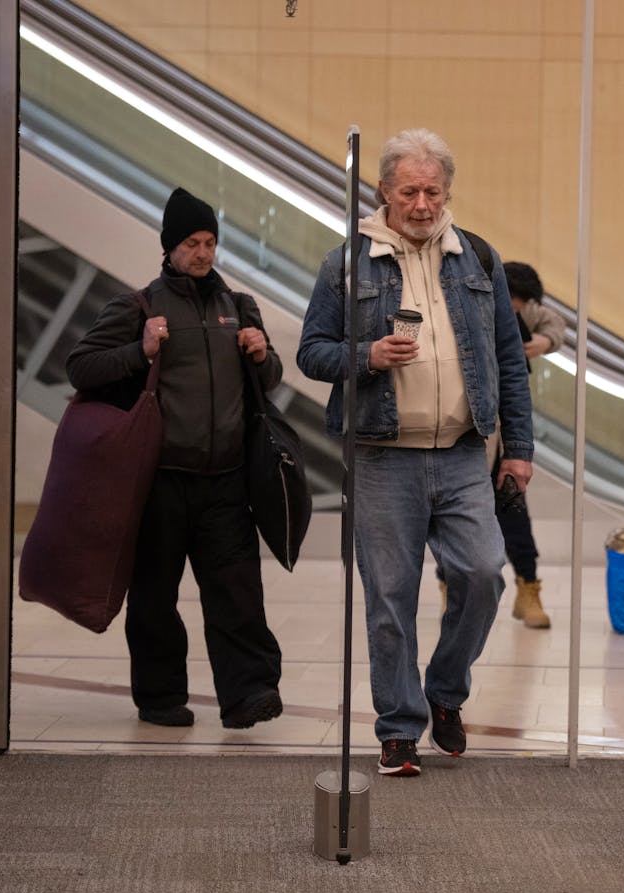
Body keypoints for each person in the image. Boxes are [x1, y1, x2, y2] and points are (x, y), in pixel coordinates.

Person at [297, 128, 533, 777]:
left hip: (462, 453)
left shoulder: (477, 259)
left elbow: (510, 362)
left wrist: (519, 448)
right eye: (410, 190)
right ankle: (399, 726)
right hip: (381, 455)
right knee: (390, 596)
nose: (423, 203)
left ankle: (444, 691)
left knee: (485, 573)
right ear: (384, 192)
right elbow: (311, 350)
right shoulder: (347, 263)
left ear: (447, 191)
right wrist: (365, 356)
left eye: (433, 190)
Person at [66, 187, 285, 730]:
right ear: (169, 246)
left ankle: (249, 694)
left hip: (226, 482)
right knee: (154, 598)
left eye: (210, 242)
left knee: (237, 594)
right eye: (193, 242)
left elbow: (271, 381)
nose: (204, 253)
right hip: (160, 481)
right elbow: (81, 367)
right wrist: (138, 350)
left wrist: (263, 357)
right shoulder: (138, 306)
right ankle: (161, 697)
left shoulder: (238, 306)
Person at [495, 260, 562, 628]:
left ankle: (528, 587)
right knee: (455, 522)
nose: (515, 310)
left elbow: (555, 325)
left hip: (507, 436)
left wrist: (542, 343)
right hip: (468, 432)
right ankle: (449, 592)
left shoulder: (530, 313)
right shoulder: (475, 304)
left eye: (520, 305)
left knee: (514, 512)